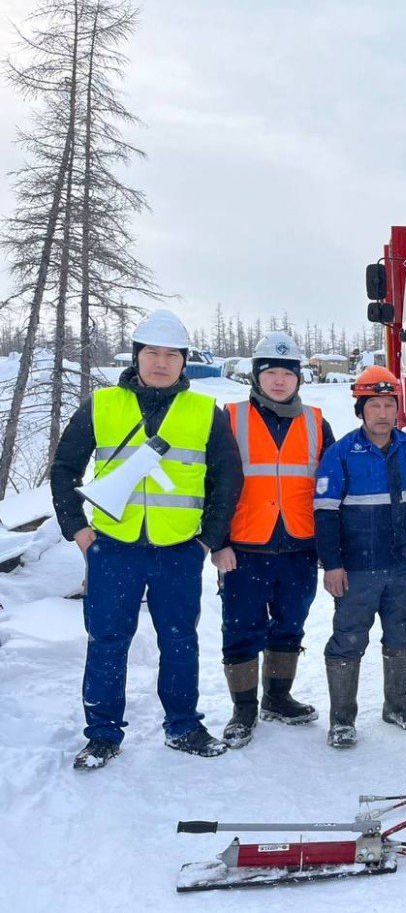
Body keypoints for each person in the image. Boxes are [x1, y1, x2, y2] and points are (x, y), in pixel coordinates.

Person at [50, 309, 243, 769]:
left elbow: (227, 479)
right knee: (107, 640)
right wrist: (78, 530)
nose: (161, 362)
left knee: (179, 640)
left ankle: (183, 726)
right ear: (137, 357)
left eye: (171, 354)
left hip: (178, 550)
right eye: (152, 353)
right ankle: (101, 734)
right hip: (114, 549)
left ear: (184, 361)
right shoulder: (103, 404)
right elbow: (63, 469)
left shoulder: (204, 412)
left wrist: (207, 541)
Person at [217, 332, 335, 748]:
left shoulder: (317, 421)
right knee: (241, 628)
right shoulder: (230, 418)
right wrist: (217, 542)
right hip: (245, 546)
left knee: (290, 624)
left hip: (299, 545)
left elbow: (330, 489)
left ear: (299, 378)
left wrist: (329, 547)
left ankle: (278, 698)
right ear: (256, 377)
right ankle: (243, 709)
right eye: (272, 373)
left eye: (288, 373)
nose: (280, 381)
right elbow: (212, 484)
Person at [314, 366, 406, 749]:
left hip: (403, 564)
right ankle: (342, 720)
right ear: (361, 410)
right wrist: (331, 564)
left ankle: (398, 705)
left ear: (398, 409)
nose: (382, 413)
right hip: (358, 567)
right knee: (348, 638)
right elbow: (325, 513)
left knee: (402, 631)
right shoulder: (341, 453)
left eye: (389, 404)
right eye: (374, 405)